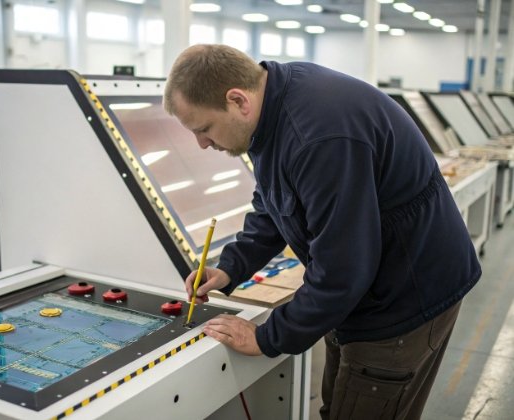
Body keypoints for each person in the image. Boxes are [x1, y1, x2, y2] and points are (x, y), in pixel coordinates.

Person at [164, 44, 481, 419]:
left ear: (237, 101)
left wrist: (267, 337)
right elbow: (273, 202)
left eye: (204, 128)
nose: (202, 144)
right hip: (372, 288)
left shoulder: (319, 137)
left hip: (405, 298)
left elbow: (344, 268)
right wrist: (231, 266)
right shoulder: (274, 104)